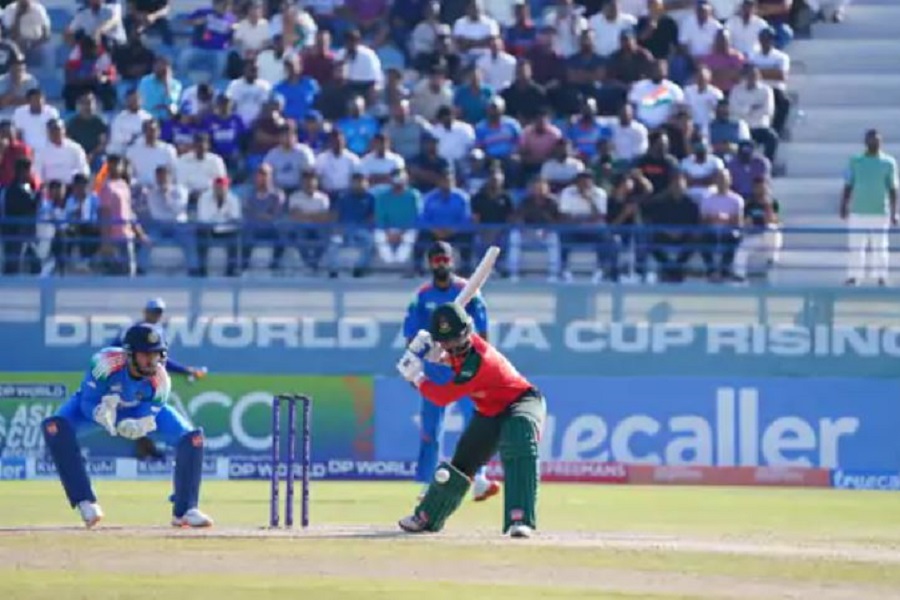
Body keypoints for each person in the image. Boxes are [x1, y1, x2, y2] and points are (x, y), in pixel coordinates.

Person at [396, 301, 546, 537]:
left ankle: (520, 519)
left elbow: (443, 397)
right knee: (462, 463)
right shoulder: (453, 349)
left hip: (521, 401)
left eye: (457, 340)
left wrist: (417, 377)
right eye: (447, 342)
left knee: (519, 435)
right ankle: (426, 517)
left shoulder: (480, 361)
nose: (454, 347)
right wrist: (430, 353)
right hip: (489, 410)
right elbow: (450, 357)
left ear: (468, 331)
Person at [42, 323, 213, 528]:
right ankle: (85, 501)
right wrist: (100, 414)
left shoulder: (161, 380)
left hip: (135, 411)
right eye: (145, 354)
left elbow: (148, 415)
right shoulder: (104, 362)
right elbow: (87, 402)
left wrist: (139, 426)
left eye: (156, 354)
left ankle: (185, 510)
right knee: (54, 428)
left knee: (192, 438)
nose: (152, 360)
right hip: (95, 407)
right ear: (129, 355)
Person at [402, 241, 500, 504]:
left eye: (444, 258)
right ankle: (427, 484)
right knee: (431, 430)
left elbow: (483, 331)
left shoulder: (468, 291)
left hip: (466, 368)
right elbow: (411, 334)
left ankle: (479, 479)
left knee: (477, 425)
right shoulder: (423, 295)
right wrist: (413, 365)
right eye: (436, 259)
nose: (441, 264)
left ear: (452, 260)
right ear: (429, 263)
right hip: (435, 369)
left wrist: (483, 366)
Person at [109, 298, 209, 460]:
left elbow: (160, 363)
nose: (156, 315)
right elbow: (112, 353)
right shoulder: (132, 331)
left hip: (145, 389)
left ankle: (148, 447)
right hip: (124, 386)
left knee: (176, 426)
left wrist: (185, 371)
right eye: (153, 311)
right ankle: (144, 446)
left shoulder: (157, 334)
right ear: (145, 312)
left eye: (159, 312)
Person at [841, 129, 898, 287]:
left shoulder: (889, 162)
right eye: (871, 140)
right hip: (858, 211)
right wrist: (843, 205)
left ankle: (881, 277)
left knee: (881, 246)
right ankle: (854, 276)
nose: (874, 143)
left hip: (880, 211)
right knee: (856, 246)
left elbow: (893, 189)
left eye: (877, 140)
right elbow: (848, 184)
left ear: (881, 142)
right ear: (865, 142)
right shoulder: (854, 161)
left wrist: (894, 213)